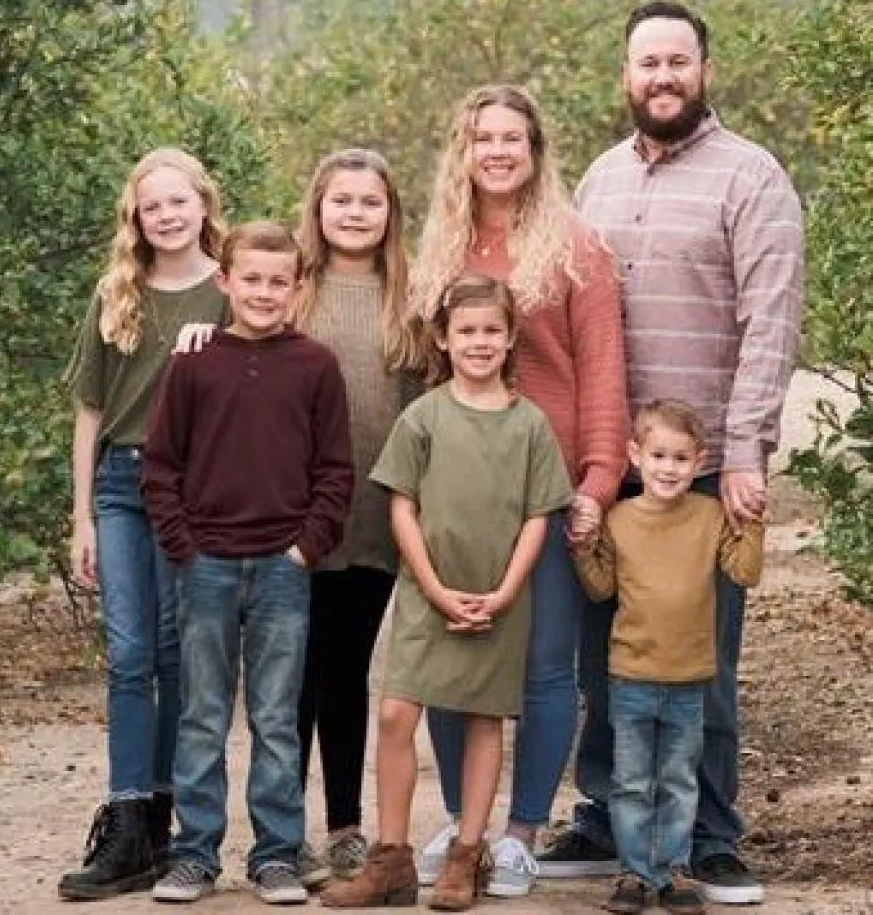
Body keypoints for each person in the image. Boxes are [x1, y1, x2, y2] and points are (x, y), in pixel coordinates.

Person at [537, 0, 803, 906]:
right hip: (611, 469)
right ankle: (610, 816)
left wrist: (746, 451)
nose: (662, 77)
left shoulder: (752, 178)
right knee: (605, 653)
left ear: (704, 69)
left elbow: (771, 321)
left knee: (702, 659)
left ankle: (710, 833)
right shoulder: (600, 181)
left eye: (677, 61)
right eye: (647, 62)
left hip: (706, 476)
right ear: (625, 74)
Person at [410, 85, 630, 898]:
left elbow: (605, 374)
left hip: (551, 487)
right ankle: (463, 824)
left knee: (544, 668)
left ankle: (520, 830)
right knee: (453, 661)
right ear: (462, 152)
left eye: (513, 137)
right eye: (482, 137)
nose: (498, 151)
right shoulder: (439, 246)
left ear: (536, 149)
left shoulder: (576, 246)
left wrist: (598, 482)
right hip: (459, 493)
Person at [321, 274, 574, 913]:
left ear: (511, 337)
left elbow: (538, 518)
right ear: (443, 337)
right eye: (467, 331)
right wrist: (433, 587)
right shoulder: (424, 416)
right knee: (395, 715)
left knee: (485, 719)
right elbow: (402, 507)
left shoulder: (529, 425)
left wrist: (505, 591)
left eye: (492, 331)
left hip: (498, 598)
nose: (480, 342)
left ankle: (467, 855)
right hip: (425, 593)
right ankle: (392, 860)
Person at [141, 221, 355, 905]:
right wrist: (183, 544)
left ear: (297, 287)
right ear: (225, 281)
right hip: (204, 564)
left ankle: (276, 855)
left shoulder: (316, 364)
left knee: (276, 715)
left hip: (282, 568)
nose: (264, 292)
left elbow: (335, 469)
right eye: (252, 279)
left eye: (278, 281)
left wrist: (305, 547)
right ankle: (195, 855)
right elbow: (160, 465)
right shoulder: (194, 362)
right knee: (203, 713)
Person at [58, 148, 227, 902]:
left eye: (177, 201)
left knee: (175, 653)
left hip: (192, 487)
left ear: (202, 203)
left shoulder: (229, 291)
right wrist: (82, 515)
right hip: (123, 485)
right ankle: (126, 819)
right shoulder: (116, 293)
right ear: (137, 217)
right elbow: (90, 412)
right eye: (151, 205)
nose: (166, 215)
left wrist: (219, 347)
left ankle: (162, 816)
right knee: (129, 651)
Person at [573, 400, 764, 915]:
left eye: (681, 459)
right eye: (658, 455)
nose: (668, 468)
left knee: (678, 780)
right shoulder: (620, 519)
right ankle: (635, 874)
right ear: (635, 455)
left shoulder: (709, 516)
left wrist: (753, 520)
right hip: (631, 677)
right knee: (632, 781)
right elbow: (599, 588)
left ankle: (672, 870)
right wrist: (584, 546)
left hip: (689, 679)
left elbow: (744, 573)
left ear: (700, 463)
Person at [293, 149, 418, 884]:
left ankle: (344, 826)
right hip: (297, 517)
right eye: (341, 199)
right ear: (317, 207)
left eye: (370, 202)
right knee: (292, 680)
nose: (354, 212)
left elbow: (420, 410)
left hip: (374, 517)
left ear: (390, 214)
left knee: (346, 673)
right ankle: (283, 826)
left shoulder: (406, 296)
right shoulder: (293, 291)